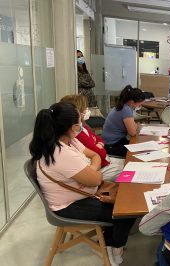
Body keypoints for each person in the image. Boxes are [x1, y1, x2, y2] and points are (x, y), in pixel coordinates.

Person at [29, 102, 135, 266]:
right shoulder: (61, 153)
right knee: (126, 211)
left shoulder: (67, 141)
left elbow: (95, 156)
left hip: (82, 193)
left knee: (125, 201)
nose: (82, 124)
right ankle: (111, 247)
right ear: (72, 127)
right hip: (67, 205)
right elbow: (96, 178)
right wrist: (92, 171)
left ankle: (109, 241)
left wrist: (89, 169)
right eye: (80, 121)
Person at [60, 95, 124, 181]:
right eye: (85, 108)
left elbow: (98, 140)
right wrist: (98, 147)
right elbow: (100, 154)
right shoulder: (76, 134)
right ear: (77, 112)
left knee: (129, 164)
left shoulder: (82, 128)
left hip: (102, 162)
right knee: (129, 170)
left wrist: (99, 145)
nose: (87, 110)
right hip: (101, 166)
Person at [102, 85, 146, 157]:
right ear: (132, 102)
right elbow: (133, 132)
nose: (139, 106)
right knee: (141, 153)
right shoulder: (126, 110)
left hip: (114, 141)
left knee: (140, 146)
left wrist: (135, 126)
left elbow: (135, 126)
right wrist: (136, 126)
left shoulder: (123, 106)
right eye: (139, 104)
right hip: (112, 145)